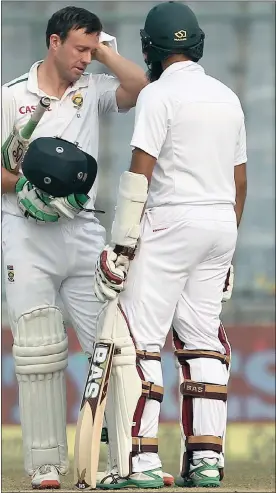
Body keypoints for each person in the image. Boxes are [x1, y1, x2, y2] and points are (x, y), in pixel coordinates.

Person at [94, 1, 247, 489]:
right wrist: (228, 252)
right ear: (196, 43)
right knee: (204, 341)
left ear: (150, 48)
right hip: (221, 223)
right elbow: (240, 181)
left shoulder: (158, 95)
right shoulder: (228, 97)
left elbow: (141, 171)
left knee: (139, 340)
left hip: (172, 222)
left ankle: (138, 464)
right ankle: (206, 462)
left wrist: (120, 247)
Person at [1, 6, 148, 489]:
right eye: (80, 49)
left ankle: (125, 459)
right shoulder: (10, 97)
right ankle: (45, 465)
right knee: (38, 348)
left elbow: (140, 86)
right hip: (25, 233)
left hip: (82, 230)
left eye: (92, 50)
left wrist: (105, 51)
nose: (86, 58)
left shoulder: (95, 89)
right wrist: (24, 186)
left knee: (111, 344)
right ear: (53, 42)